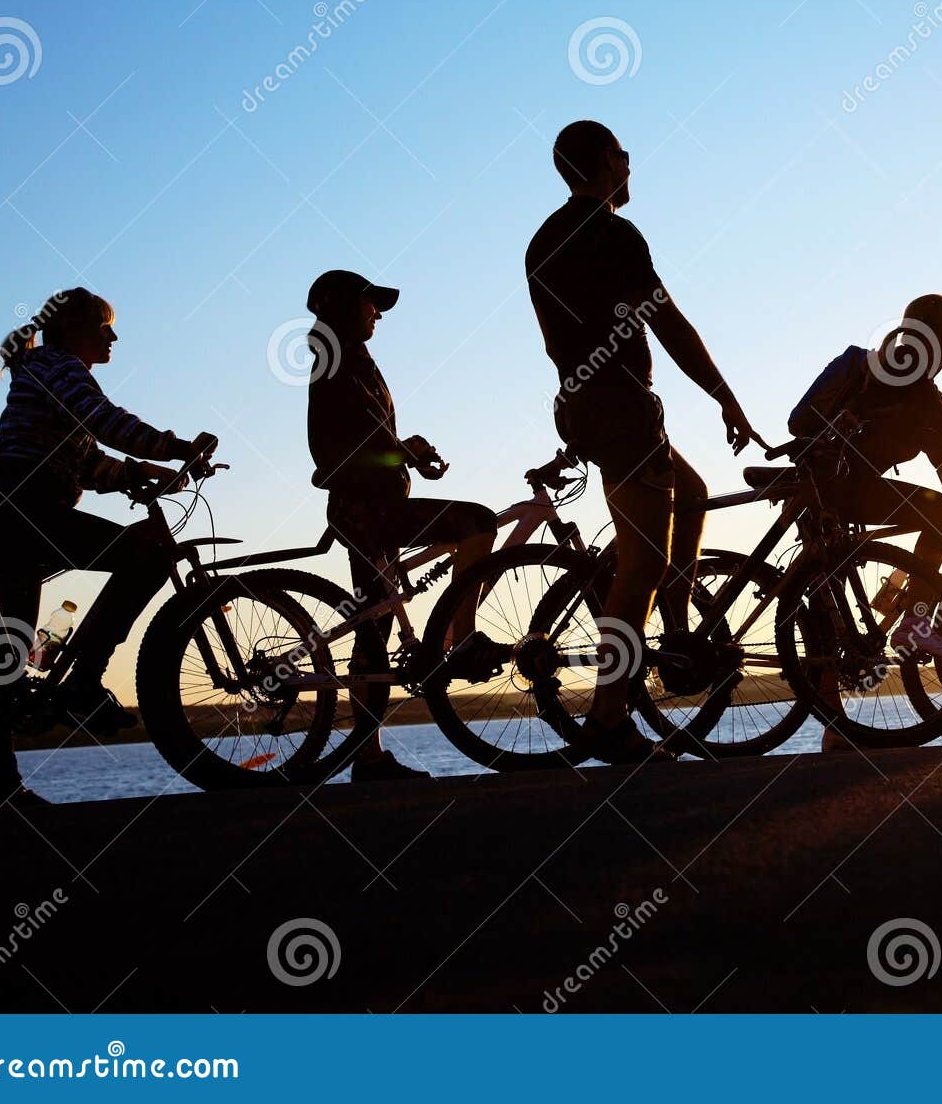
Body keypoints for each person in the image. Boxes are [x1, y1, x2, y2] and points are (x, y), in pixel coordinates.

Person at [525, 120, 767, 764]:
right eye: (624, 154)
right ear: (606, 161)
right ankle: (608, 718)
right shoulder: (613, 232)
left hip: (580, 404)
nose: (631, 164)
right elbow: (667, 321)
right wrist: (724, 394)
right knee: (641, 567)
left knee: (692, 492)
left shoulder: (543, 239)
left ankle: (677, 628)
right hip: (623, 410)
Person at [0, 288, 211, 809]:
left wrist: (136, 474)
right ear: (74, 329)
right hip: (24, 512)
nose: (114, 336)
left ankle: (4, 787)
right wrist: (175, 446)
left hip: (5, 513)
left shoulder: (42, 371)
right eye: (104, 327)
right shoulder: (59, 366)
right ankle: (84, 680)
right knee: (146, 555)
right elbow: (104, 419)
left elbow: (85, 459)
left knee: (9, 653)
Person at [304, 270, 500, 782]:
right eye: (370, 304)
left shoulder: (343, 358)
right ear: (343, 307)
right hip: (367, 510)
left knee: (374, 627)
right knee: (477, 522)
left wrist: (406, 455)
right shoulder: (338, 361)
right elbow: (348, 445)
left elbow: (365, 440)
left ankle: (367, 757)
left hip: (366, 507)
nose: (378, 314)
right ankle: (463, 641)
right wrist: (404, 450)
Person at [789, 294, 942, 655]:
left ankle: (826, 680)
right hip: (840, 486)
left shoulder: (900, 375)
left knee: (829, 599)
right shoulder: (906, 372)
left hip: (831, 484)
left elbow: (934, 440)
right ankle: (915, 623)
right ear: (934, 333)